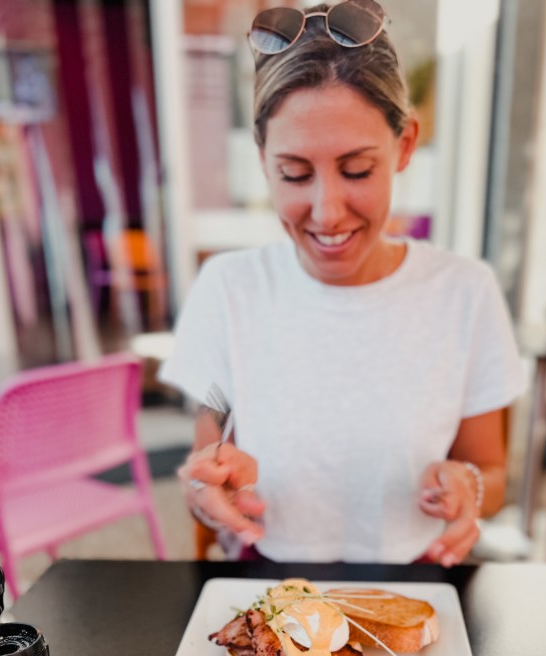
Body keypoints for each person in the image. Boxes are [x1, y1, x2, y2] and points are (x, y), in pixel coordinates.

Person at [159, 0, 526, 566]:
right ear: (263, 160)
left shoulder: (465, 294)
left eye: (357, 170)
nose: (327, 211)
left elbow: (492, 475)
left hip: (413, 582)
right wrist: (208, 490)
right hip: (268, 583)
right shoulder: (229, 290)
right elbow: (209, 456)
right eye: (294, 173)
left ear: (405, 146)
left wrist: (468, 487)